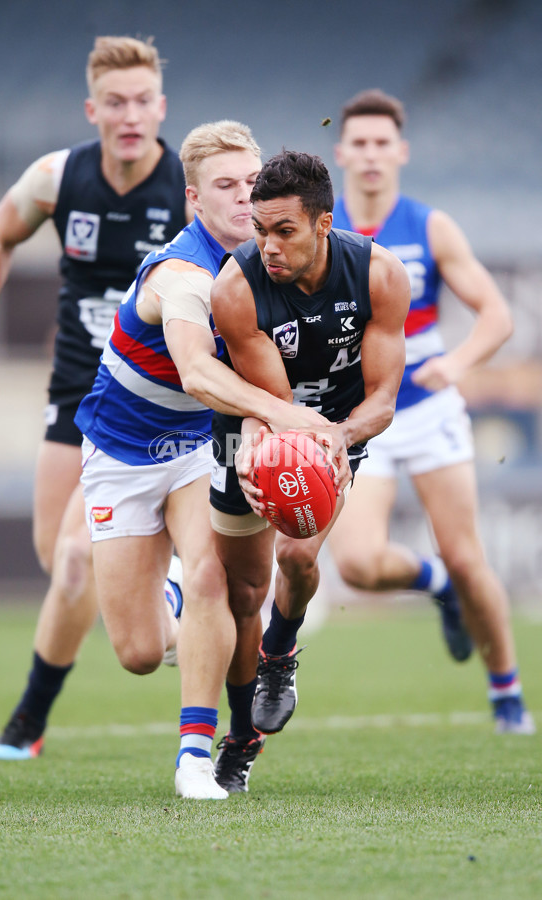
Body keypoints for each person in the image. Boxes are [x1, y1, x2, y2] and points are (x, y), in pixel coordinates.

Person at [74, 122, 333, 799]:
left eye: (253, 182)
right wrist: (285, 416)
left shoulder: (267, 264)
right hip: (121, 449)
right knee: (136, 653)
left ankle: (197, 758)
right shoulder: (179, 274)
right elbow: (194, 370)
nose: (245, 197)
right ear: (195, 197)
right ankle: (173, 597)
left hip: (197, 447)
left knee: (217, 579)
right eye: (226, 185)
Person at [0, 36, 191, 760]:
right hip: (76, 395)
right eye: (114, 103)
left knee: (74, 560)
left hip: (153, 404)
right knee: (59, 563)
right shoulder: (58, 178)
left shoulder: (187, 187)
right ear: (93, 109)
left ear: (162, 106)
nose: (129, 115)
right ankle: (167, 596)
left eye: (142, 101)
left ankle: (27, 723)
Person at [327, 88, 534, 734]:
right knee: (358, 564)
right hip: (365, 415)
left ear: (402, 152)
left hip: (430, 411)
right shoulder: (322, 228)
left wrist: (460, 362)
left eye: (381, 143)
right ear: (341, 153)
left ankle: (507, 692)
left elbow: (497, 315)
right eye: (358, 143)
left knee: (473, 559)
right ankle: (434, 582)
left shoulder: (428, 225)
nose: (370, 155)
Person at [207, 149, 411, 790]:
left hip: (338, 429)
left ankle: (281, 651)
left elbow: (382, 397)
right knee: (241, 595)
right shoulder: (234, 289)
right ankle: (238, 733)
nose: (266, 244)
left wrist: (343, 439)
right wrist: (302, 439)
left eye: (284, 231)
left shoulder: (379, 274)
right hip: (259, 428)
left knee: (295, 558)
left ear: (324, 224)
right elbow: (271, 409)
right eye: (260, 229)